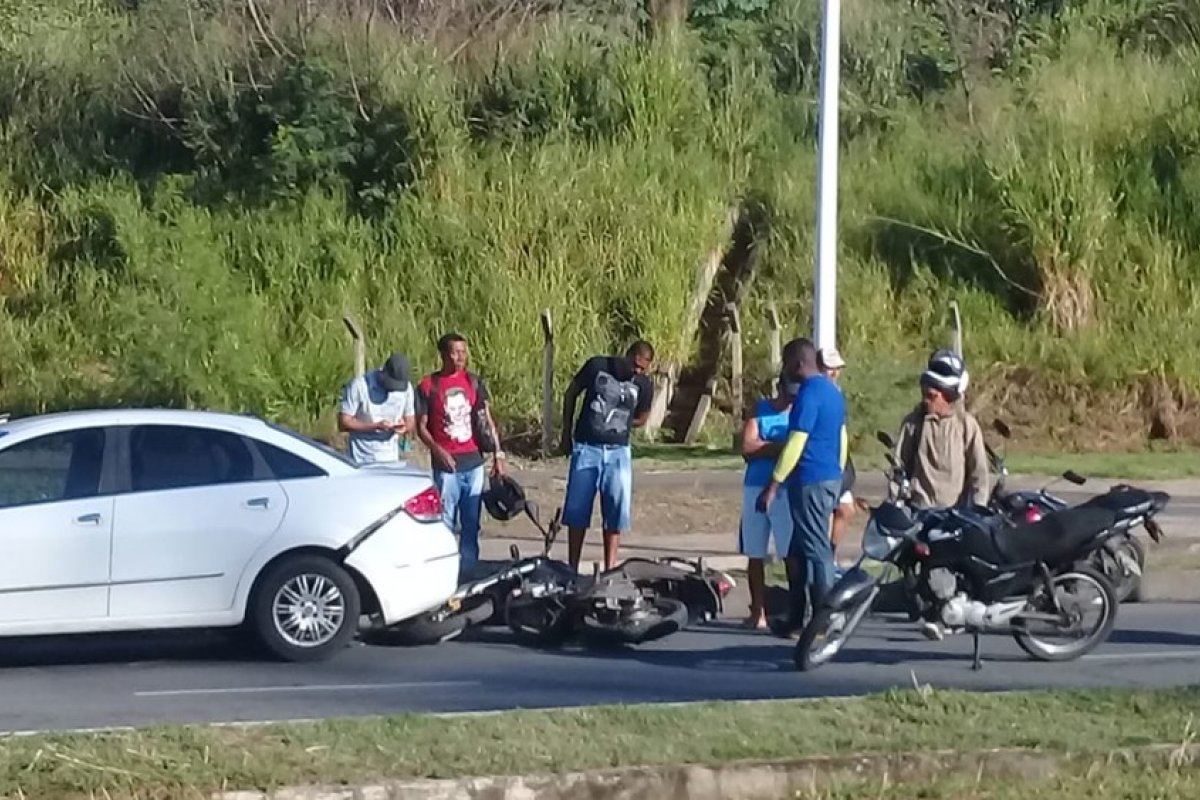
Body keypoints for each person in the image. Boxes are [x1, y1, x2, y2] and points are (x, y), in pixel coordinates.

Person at [757, 338, 847, 636]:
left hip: (810, 480)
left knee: (817, 550)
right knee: (797, 550)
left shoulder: (809, 395)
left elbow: (796, 443)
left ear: (797, 364)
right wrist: (838, 473)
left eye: (786, 363)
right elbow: (842, 438)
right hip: (829, 476)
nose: (784, 370)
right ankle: (796, 617)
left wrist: (773, 485)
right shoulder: (834, 393)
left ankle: (824, 618)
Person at [560, 340, 655, 572]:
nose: (637, 371)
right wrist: (566, 433)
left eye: (643, 368)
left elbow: (644, 415)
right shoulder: (597, 366)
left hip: (618, 452)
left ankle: (610, 568)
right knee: (577, 511)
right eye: (635, 365)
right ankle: (572, 567)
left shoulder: (643, 384)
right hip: (587, 447)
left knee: (615, 512)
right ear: (627, 354)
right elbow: (571, 393)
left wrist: (623, 421)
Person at [415, 333, 505, 575]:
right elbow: (421, 426)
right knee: (445, 522)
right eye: (455, 352)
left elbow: (487, 420)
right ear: (443, 354)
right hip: (447, 467)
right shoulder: (428, 386)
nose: (460, 357)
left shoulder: (473, 382)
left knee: (471, 522)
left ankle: (468, 571)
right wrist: (437, 450)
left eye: (463, 352)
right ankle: (443, 571)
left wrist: (498, 455)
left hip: (474, 463)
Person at [893, 348, 990, 510]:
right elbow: (899, 468)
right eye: (924, 394)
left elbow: (979, 475)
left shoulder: (966, 425)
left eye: (931, 396)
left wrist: (978, 509)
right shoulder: (913, 424)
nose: (925, 400)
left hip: (954, 515)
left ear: (948, 395)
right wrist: (895, 505)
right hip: (920, 510)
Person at [738, 375, 798, 630]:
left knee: (790, 553)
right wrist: (776, 447)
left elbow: (797, 448)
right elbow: (746, 446)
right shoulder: (761, 409)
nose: (790, 399)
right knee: (755, 552)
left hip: (785, 489)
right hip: (755, 486)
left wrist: (764, 445)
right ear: (780, 389)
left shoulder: (800, 412)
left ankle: (796, 610)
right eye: (788, 393)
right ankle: (757, 611)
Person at [337, 353, 416, 466]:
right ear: (383, 372)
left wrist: (403, 427)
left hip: (390, 458)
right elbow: (343, 423)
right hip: (361, 459)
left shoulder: (407, 389)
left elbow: (410, 420)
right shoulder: (359, 386)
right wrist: (374, 426)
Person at [818, 346, 856, 575]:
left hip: (840, 458)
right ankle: (823, 561)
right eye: (828, 368)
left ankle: (830, 554)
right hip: (822, 459)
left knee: (846, 509)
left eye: (836, 368)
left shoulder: (837, 393)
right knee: (823, 513)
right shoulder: (814, 392)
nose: (832, 373)